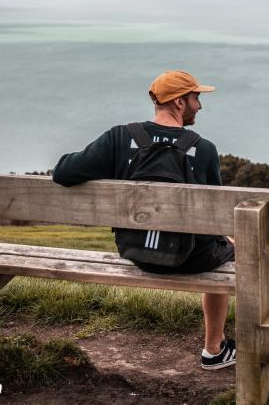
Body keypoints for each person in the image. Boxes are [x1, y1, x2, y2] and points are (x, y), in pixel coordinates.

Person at [51, 70, 236, 370]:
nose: (199, 106)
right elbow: (213, 217)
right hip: (190, 259)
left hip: (136, 252)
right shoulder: (204, 149)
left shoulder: (119, 138)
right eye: (196, 98)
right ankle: (214, 349)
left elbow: (63, 172)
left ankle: (215, 347)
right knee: (230, 250)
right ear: (179, 102)